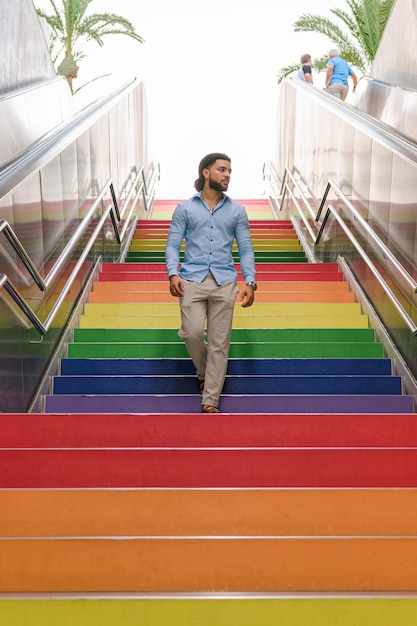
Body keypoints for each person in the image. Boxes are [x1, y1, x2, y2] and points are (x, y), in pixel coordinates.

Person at [165, 153, 256, 414]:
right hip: (191, 279)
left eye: (229, 171)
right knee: (192, 333)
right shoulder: (185, 208)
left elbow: (246, 249)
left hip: (225, 282)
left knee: (219, 342)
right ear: (206, 172)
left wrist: (250, 281)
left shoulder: (237, 211)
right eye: (221, 169)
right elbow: (172, 244)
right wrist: (173, 273)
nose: (227, 175)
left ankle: (210, 399)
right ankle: (205, 371)